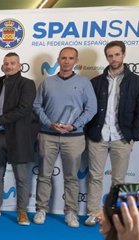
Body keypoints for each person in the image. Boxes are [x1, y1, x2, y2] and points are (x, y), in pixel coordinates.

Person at [85, 40, 139, 226]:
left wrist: (133, 136)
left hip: (122, 137)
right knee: (95, 176)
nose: (113, 58)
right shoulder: (96, 82)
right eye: (110, 55)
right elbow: (88, 109)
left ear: (123, 55)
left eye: (117, 54)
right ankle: (93, 213)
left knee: (119, 180)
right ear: (106, 57)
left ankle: (115, 216)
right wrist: (88, 131)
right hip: (98, 136)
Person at [33, 47, 97, 227]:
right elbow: (37, 106)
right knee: (44, 175)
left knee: (71, 178)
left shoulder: (84, 83)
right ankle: (41, 209)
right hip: (48, 135)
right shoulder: (47, 82)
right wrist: (48, 123)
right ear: (58, 60)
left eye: (70, 58)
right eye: (63, 58)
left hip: (74, 137)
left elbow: (91, 108)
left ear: (76, 61)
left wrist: (74, 125)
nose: (66, 61)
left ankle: (71, 212)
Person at [0, 52, 39, 226]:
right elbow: (0, 107)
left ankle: (22, 211)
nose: (9, 66)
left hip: (19, 137)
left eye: (13, 63)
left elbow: (23, 109)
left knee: (21, 178)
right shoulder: (0, 85)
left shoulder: (28, 84)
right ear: (2, 66)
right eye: (6, 63)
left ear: (19, 65)